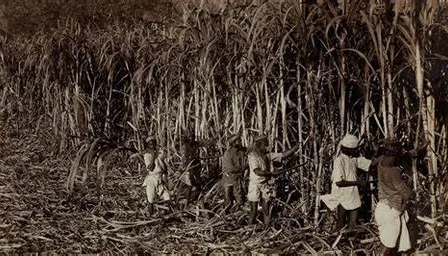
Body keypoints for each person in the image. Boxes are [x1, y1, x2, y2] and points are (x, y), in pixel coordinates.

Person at [375, 138, 428, 255]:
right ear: (394, 155)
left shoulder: (381, 162)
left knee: (388, 241)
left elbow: (404, 156)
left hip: (382, 207)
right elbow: (407, 194)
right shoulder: (393, 172)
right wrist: (416, 192)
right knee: (388, 246)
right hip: (392, 211)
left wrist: (418, 150)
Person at [320, 134, 374, 232]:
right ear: (349, 149)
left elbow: (370, 164)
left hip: (352, 195)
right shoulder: (340, 161)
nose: (357, 150)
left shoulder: (352, 159)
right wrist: (358, 183)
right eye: (355, 149)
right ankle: (338, 242)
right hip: (342, 196)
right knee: (341, 224)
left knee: (352, 225)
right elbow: (339, 182)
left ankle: (349, 240)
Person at [247, 134, 299, 226]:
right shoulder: (253, 156)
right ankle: (249, 229)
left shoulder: (267, 155)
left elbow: (283, 155)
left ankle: (266, 227)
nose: (266, 147)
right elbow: (257, 172)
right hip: (255, 185)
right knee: (254, 210)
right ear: (259, 145)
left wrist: (294, 148)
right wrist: (270, 174)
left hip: (265, 184)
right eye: (264, 145)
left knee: (266, 209)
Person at [141, 135, 171, 216]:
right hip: (151, 178)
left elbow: (164, 165)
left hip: (160, 177)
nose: (153, 146)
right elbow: (150, 168)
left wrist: (167, 174)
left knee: (167, 196)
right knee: (150, 199)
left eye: (154, 144)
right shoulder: (147, 155)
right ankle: (150, 215)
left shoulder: (161, 153)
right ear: (148, 145)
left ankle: (166, 213)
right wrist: (154, 156)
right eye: (150, 144)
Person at [221, 134, 247, 213]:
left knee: (239, 200)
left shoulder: (241, 151)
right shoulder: (228, 153)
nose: (240, 142)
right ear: (233, 142)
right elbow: (230, 169)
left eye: (239, 140)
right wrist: (244, 167)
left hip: (237, 179)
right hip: (229, 179)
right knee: (228, 200)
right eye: (238, 140)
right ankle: (227, 214)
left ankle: (236, 213)